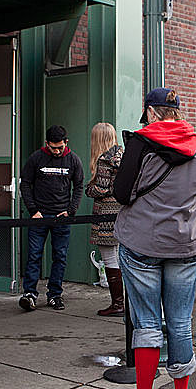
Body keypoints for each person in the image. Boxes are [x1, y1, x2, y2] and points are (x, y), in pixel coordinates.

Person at [112, 88, 196, 389]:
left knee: (148, 323)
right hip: (185, 244)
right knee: (180, 322)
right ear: (177, 113)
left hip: (142, 244)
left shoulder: (140, 143)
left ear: (152, 113)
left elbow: (121, 192)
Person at [18, 125, 84, 311]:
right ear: (46, 143)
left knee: (60, 257)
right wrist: (33, 210)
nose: (56, 151)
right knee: (34, 255)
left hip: (61, 216)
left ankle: (55, 295)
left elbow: (79, 185)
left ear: (66, 143)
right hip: (39, 215)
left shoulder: (73, 160)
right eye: (53, 147)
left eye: (60, 147)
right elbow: (25, 184)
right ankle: (29, 294)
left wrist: (71, 211)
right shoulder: (36, 158)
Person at [85, 122, 124, 316]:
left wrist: (88, 190)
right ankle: (125, 302)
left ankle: (118, 304)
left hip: (106, 213)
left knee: (109, 257)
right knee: (121, 257)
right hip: (122, 212)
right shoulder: (122, 155)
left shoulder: (103, 160)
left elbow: (102, 188)